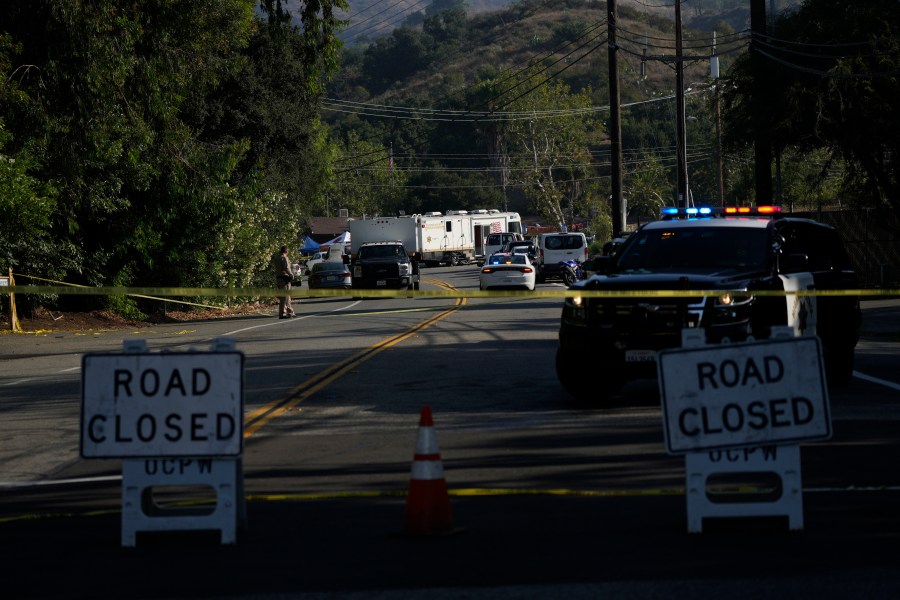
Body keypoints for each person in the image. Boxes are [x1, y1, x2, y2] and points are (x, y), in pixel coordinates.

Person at [276, 245, 295, 319]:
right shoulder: (284, 258)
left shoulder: (277, 258)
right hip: (284, 278)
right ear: (286, 251)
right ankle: (282, 313)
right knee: (284, 297)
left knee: (287, 297)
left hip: (279, 278)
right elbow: (286, 267)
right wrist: (291, 275)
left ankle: (290, 311)